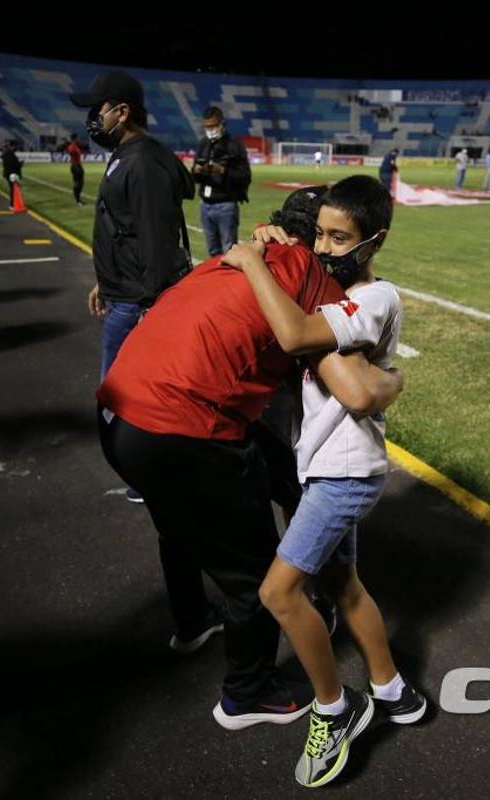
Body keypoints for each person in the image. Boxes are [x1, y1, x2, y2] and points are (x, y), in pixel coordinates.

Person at [96, 186, 403, 734]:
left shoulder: (239, 255)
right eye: (326, 236)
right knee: (259, 572)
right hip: (182, 428)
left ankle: (192, 621)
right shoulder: (311, 278)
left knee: (183, 525)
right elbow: (352, 385)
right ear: (311, 237)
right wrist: (393, 380)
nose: (331, 250)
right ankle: (248, 692)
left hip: (119, 413)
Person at [223, 176, 424, 788]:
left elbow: (293, 334)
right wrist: (280, 241)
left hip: (345, 473)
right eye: (320, 234)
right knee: (346, 588)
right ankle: (393, 690)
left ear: (374, 241)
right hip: (327, 468)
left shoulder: (376, 297)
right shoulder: (331, 285)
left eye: (341, 238)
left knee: (279, 594)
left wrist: (253, 261)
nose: (326, 248)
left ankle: (334, 711)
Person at [70, 71, 195, 503]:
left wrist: (149, 304)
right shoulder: (130, 154)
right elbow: (122, 229)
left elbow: (155, 241)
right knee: (124, 396)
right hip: (123, 293)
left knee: (124, 397)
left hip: (137, 302)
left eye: (97, 110)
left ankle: (151, 475)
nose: (92, 118)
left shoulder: (142, 162)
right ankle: (149, 471)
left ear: (121, 113)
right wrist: (103, 281)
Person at [192, 106, 251, 257]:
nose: (210, 129)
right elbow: (195, 175)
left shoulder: (234, 145)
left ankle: (230, 281)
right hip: (205, 205)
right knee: (213, 251)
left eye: (213, 126)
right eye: (207, 126)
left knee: (230, 250)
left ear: (222, 124)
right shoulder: (203, 144)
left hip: (226, 204)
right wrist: (197, 171)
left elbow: (245, 176)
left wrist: (223, 171)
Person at [63, 133, 87, 206]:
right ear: (74, 139)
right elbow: (70, 152)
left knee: (81, 183)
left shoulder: (76, 146)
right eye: (77, 138)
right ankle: (77, 201)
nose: (78, 139)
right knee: (77, 183)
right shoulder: (72, 146)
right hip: (75, 166)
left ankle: (79, 199)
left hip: (78, 165)